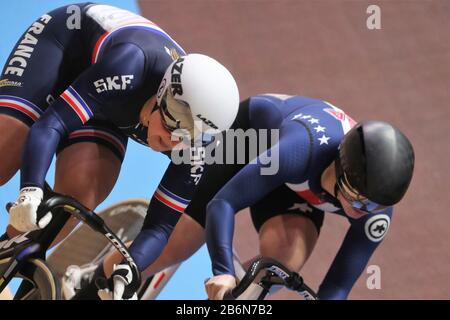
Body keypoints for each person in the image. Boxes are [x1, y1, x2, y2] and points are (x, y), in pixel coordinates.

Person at [0, 2, 239, 292]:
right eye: (171, 124)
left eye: (186, 138)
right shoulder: (132, 64)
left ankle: (6, 254)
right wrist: (30, 189)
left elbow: (160, 227)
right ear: (162, 93)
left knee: (83, 191)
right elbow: (50, 125)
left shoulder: (194, 149)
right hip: (65, 45)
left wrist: (131, 268)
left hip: (114, 101)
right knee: (9, 145)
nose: (174, 141)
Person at [82, 93, 414, 300]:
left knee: (278, 266)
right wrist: (223, 269)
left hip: (294, 184)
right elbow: (223, 204)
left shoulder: (374, 212)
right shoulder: (298, 151)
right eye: (357, 199)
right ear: (340, 168)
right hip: (251, 141)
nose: (361, 212)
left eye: (372, 206)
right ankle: (89, 283)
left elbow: (337, 288)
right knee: (179, 244)